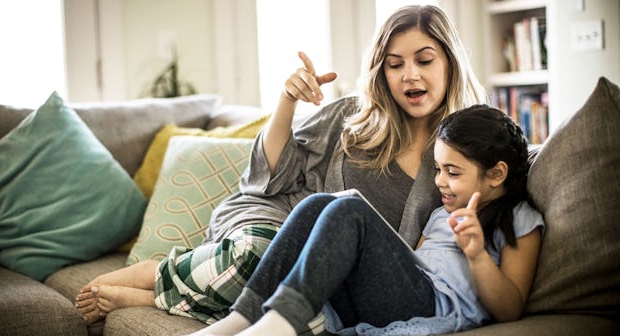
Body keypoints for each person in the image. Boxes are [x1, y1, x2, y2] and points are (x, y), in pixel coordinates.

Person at [75, 4, 486, 333]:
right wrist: (287, 101)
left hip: (343, 275)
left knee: (312, 320)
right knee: (263, 255)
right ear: (382, 72)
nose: (409, 74)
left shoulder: (463, 152)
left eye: (424, 60)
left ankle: (158, 296)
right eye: (395, 64)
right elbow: (268, 175)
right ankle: (158, 275)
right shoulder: (352, 119)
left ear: (450, 63)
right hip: (280, 221)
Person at [191, 104, 545, 336]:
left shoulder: (519, 219)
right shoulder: (442, 213)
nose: (439, 181)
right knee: (319, 204)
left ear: (496, 174)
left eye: (452, 172)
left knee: (350, 209)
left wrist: (478, 254)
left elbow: (511, 308)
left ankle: (277, 325)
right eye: (438, 169)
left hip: (432, 308)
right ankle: (241, 318)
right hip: (390, 297)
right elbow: (411, 263)